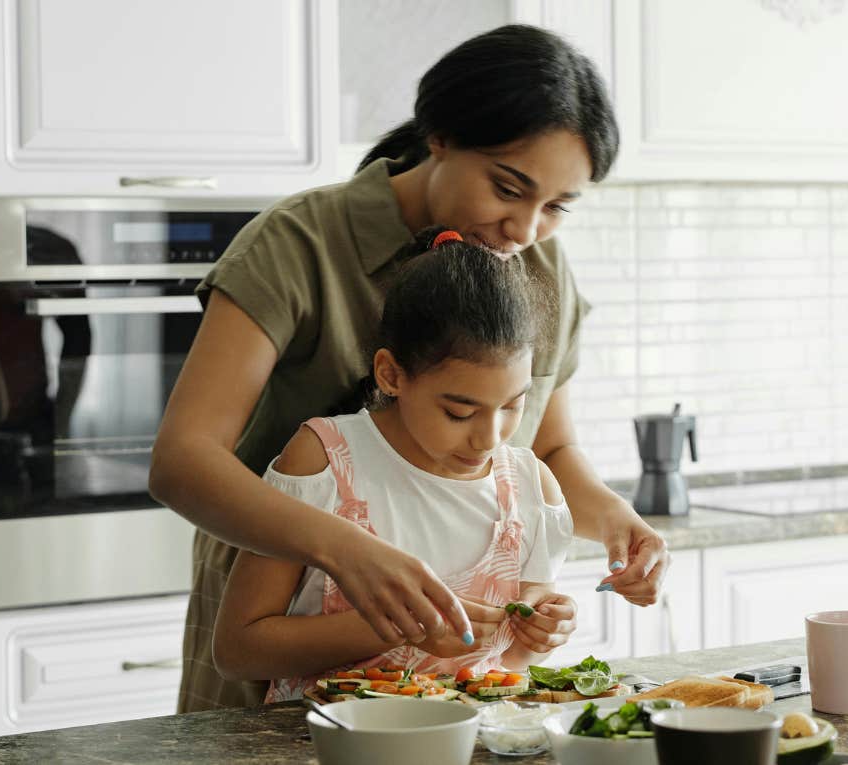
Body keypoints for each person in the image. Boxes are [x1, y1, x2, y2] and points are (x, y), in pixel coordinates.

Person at [149, 24, 671, 711]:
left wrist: (613, 520)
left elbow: (547, 447)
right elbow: (182, 460)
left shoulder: (538, 266)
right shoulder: (298, 243)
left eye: (555, 208)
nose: (525, 228)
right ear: (441, 138)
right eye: (508, 188)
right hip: (279, 621)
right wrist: (347, 550)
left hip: (450, 685)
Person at [213, 228, 575, 702]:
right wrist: (396, 628)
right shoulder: (324, 461)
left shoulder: (531, 488)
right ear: (391, 374)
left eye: (513, 405)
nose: (490, 437)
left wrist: (542, 633)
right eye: (459, 412)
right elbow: (238, 650)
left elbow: (511, 664)